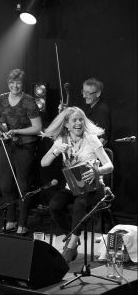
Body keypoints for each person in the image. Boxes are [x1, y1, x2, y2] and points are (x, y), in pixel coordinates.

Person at [40, 106, 113, 263]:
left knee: (80, 203)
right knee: (54, 205)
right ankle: (72, 234)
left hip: (94, 188)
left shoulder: (91, 139)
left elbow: (109, 166)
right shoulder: (62, 141)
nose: (79, 123)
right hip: (72, 187)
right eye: (74, 120)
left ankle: (71, 245)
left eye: (81, 119)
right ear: (66, 124)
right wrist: (56, 151)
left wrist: (97, 171)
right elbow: (43, 163)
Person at [0, 69, 42, 235]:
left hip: (25, 147)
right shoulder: (2, 99)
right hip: (7, 146)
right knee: (5, 185)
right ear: (8, 83)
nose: (15, 86)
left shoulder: (29, 101)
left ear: (22, 84)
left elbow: (37, 128)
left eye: (18, 83)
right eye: (12, 83)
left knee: (22, 186)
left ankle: (22, 223)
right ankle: (11, 220)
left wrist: (16, 131)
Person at [80, 78, 111, 146]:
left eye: (87, 93)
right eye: (83, 92)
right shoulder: (87, 107)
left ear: (98, 93)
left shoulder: (102, 110)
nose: (84, 96)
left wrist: (88, 152)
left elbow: (103, 138)